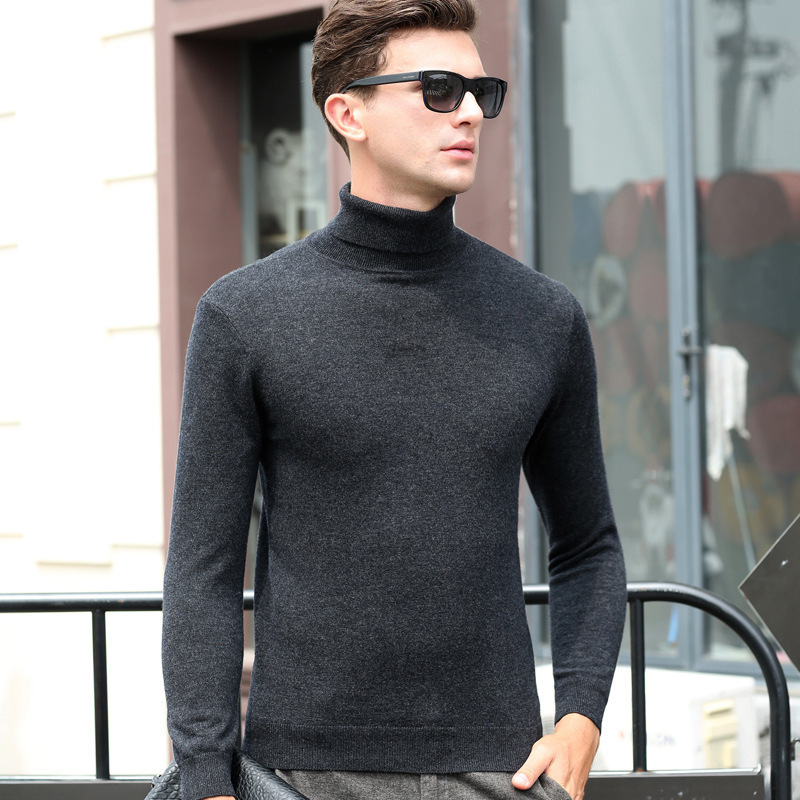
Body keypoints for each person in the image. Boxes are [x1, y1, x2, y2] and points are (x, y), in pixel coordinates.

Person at [161, 1, 627, 799]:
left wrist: (581, 717)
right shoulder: (245, 316)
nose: (470, 112)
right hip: (304, 774)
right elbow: (202, 567)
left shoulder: (542, 317)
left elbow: (588, 546)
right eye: (439, 89)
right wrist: (207, 777)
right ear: (349, 113)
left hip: (502, 770)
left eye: (481, 91)